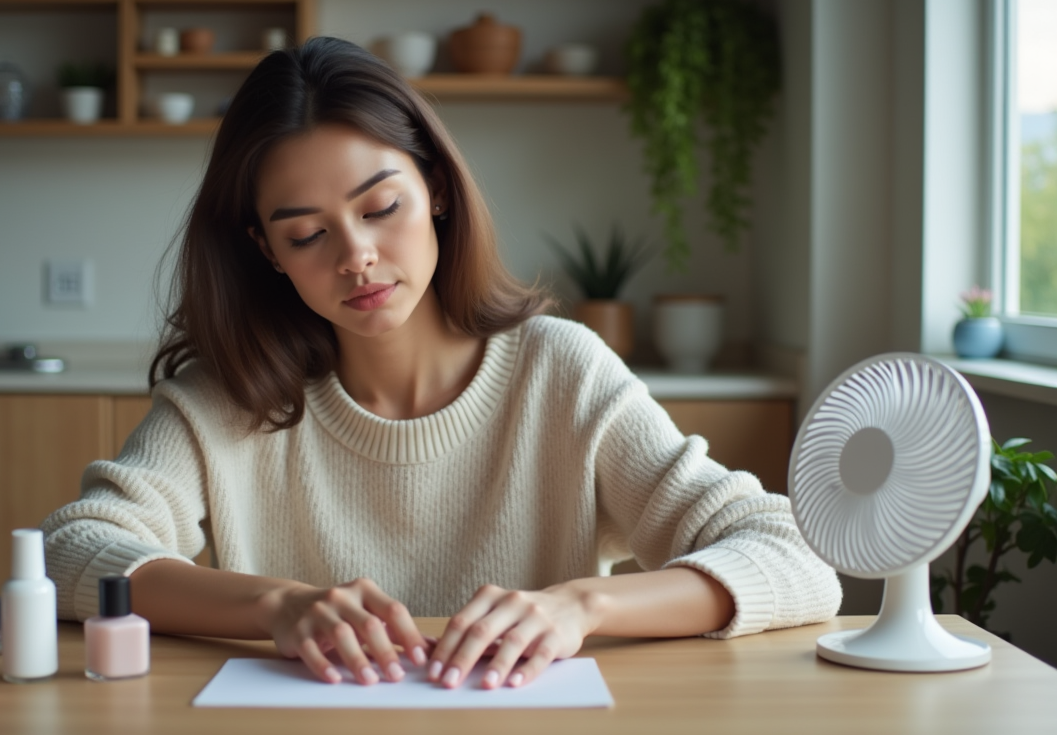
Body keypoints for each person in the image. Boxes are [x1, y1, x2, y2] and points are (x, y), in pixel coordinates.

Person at [41, 36, 841, 692]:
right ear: (268, 252)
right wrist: (276, 605)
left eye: (381, 207)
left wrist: (583, 606)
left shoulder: (560, 371)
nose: (356, 255)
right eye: (307, 234)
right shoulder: (228, 396)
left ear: (436, 189)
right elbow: (71, 550)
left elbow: (794, 557)